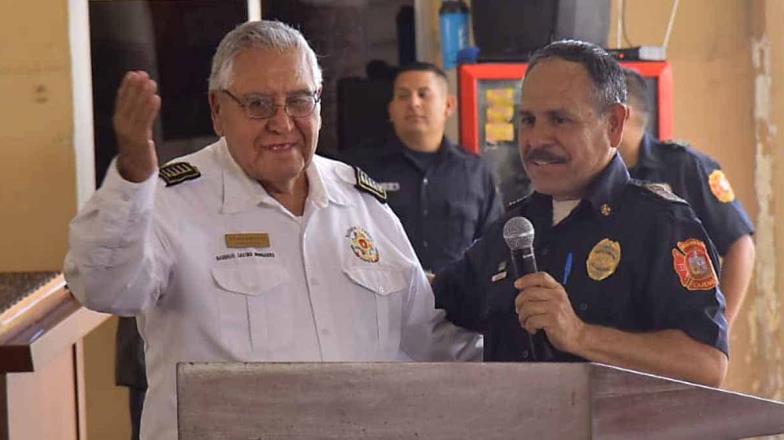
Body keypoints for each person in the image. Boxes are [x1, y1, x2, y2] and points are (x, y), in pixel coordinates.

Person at [64, 20, 481, 440]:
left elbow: (427, 337)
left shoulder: (362, 203)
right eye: (258, 105)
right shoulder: (171, 201)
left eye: (299, 101)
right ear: (217, 111)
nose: (282, 123)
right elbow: (103, 287)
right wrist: (133, 175)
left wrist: (533, 352)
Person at [432, 40, 728, 387]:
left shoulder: (661, 226)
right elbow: (434, 304)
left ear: (614, 124)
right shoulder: (514, 230)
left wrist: (580, 335)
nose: (537, 139)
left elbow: (707, 365)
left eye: (560, 120)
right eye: (528, 120)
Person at [620, 67, 755, 328]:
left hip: (676, 334)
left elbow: (740, 245)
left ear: (622, 115)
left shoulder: (682, 166)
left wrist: (719, 328)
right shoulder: (595, 176)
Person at [342, 62, 502, 273]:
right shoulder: (360, 169)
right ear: (391, 109)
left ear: (448, 106)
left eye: (423, 94)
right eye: (403, 96)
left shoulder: (476, 172)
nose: (413, 103)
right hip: (385, 299)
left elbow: (494, 246)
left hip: (459, 301)